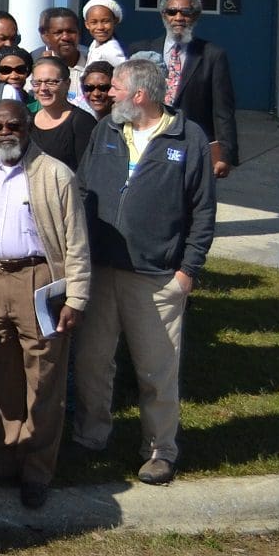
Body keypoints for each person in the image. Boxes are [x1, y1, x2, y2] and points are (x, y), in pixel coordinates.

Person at [73, 56, 215, 486]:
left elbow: (203, 211)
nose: (107, 93)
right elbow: (82, 189)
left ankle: (159, 450)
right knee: (92, 363)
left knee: (156, 369)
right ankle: (91, 436)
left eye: (115, 87)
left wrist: (188, 270)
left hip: (156, 276)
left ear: (139, 95)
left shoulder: (188, 138)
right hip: (100, 270)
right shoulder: (106, 130)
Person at [0, 99, 91, 507]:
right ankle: (3, 459)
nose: (6, 132)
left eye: (14, 125)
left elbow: (76, 242)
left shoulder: (55, 174)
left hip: (40, 283)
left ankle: (37, 470)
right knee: (0, 378)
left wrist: (75, 297)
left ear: (27, 128)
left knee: (43, 380)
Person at [158, 0, 238, 178]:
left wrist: (225, 154)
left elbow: (223, 110)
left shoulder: (212, 55)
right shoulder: (142, 50)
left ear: (195, 17)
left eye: (185, 12)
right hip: (151, 140)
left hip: (192, 144)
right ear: (164, 15)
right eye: (172, 12)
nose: (178, 18)